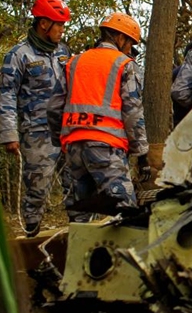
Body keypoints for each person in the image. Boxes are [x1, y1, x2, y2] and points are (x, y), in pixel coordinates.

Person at [47, 12, 150, 216]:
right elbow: (132, 112)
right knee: (125, 210)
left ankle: (78, 247)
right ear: (121, 38)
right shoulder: (124, 64)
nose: (131, 50)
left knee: (79, 213)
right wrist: (141, 152)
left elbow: (53, 107)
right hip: (106, 147)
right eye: (130, 44)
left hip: (74, 148)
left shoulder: (74, 62)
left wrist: (60, 140)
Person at [0, 0, 73, 236]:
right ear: (44, 24)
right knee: (37, 193)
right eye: (59, 24)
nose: (62, 30)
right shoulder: (19, 55)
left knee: (76, 187)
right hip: (37, 134)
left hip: (67, 131)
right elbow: (6, 95)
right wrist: (9, 134)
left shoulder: (64, 52)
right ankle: (34, 251)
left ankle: (78, 240)